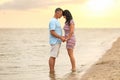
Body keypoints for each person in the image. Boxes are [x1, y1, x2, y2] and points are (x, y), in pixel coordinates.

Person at [48, 8, 65, 74]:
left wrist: (62, 37)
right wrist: (61, 37)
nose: (61, 15)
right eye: (61, 14)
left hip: (57, 41)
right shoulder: (53, 21)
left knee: (54, 56)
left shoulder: (56, 21)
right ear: (57, 12)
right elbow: (52, 32)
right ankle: (51, 71)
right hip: (54, 41)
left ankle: (52, 71)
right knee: (52, 56)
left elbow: (57, 32)